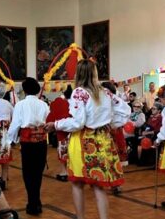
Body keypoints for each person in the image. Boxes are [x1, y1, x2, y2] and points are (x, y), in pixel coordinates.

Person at [44, 60, 130, 219]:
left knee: (77, 184)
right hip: (103, 140)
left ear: (79, 74)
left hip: (83, 141)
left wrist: (55, 124)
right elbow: (126, 110)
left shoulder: (79, 92)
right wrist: (111, 124)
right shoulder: (105, 92)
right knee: (99, 186)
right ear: (95, 73)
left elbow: (78, 123)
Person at [5, 77, 49, 215]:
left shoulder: (21, 104)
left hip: (27, 142)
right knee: (38, 172)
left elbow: (16, 123)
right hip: (42, 141)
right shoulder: (44, 104)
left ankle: (33, 202)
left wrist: (10, 140)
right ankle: (36, 201)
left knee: (28, 173)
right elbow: (47, 119)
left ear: (24, 90)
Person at [46, 84, 73, 182]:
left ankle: (64, 172)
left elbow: (51, 116)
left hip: (62, 131)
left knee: (63, 151)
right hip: (75, 132)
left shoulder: (59, 103)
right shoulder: (75, 103)